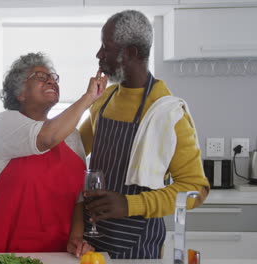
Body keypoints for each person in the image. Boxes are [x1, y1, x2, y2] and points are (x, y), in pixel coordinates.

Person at [67, 10, 210, 259]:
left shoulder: (168, 112)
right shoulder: (105, 99)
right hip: (91, 241)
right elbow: (72, 152)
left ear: (130, 53)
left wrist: (129, 204)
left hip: (138, 245)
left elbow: (195, 189)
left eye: (106, 47)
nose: (99, 55)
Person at [0, 52, 107, 253]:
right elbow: (46, 138)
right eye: (40, 76)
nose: (51, 81)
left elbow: (78, 199)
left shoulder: (70, 134)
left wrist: (76, 237)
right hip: (6, 249)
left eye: (53, 78)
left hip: (56, 252)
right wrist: (88, 97)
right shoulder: (5, 123)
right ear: (20, 93)